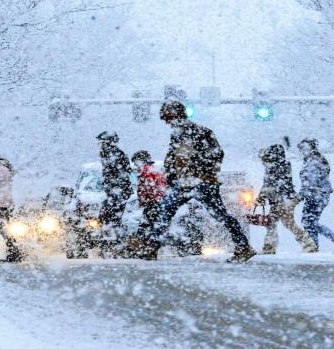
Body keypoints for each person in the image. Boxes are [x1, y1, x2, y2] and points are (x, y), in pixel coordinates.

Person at [134, 100, 256, 262]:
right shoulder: (179, 134)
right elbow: (174, 159)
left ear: (176, 115)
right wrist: (172, 176)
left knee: (215, 214)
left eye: (168, 119)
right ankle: (152, 247)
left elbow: (217, 154)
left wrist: (198, 171)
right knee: (166, 212)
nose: (168, 123)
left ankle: (243, 246)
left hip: (198, 182)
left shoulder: (199, 132)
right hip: (186, 183)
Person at [257, 144, 318, 254]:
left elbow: (269, 185)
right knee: (273, 222)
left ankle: (309, 244)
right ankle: (269, 246)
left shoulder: (274, 166)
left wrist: (261, 196)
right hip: (283, 198)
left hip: (283, 199)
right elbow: (271, 184)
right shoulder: (283, 164)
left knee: (286, 223)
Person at [297, 139, 334, 252]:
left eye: (302, 149)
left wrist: (300, 195)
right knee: (310, 221)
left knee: (309, 221)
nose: (300, 152)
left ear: (308, 149)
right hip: (319, 195)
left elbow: (311, 182)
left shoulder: (313, 162)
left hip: (315, 195)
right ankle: (315, 246)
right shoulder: (316, 160)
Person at [97, 131, 133, 257]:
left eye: (102, 142)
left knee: (114, 218)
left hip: (118, 193)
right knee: (108, 218)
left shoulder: (115, 154)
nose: (100, 145)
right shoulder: (108, 154)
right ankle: (114, 245)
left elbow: (123, 174)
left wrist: (114, 187)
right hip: (114, 192)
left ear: (109, 142)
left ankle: (119, 245)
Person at [131, 150, 167, 242]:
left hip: (153, 204)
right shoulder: (151, 170)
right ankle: (145, 245)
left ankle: (144, 246)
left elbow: (152, 189)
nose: (135, 165)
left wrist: (148, 201)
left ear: (142, 161)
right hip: (155, 203)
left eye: (136, 162)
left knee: (146, 226)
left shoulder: (146, 172)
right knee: (150, 226)